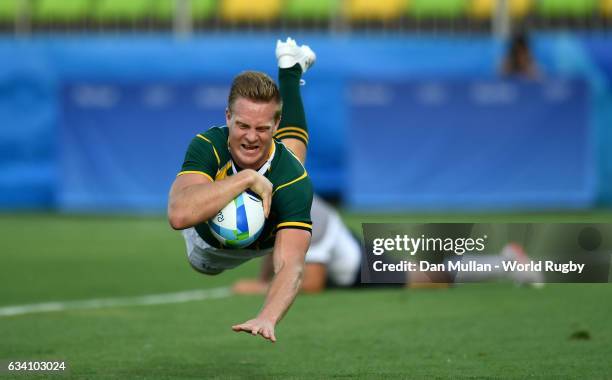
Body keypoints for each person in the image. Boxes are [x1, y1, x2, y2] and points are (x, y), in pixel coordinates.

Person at [168, 38, 316, 343]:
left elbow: (291, 265)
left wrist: (268, 316)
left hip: (263, 242)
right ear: (227, 118)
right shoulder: (208, 145)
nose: (251, 137)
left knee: (292, 164)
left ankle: (289, 70)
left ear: (277, 124)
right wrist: (246, 178)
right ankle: (290, 71)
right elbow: (179, 214)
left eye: (263, 128)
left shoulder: (294, 182)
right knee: (289, 160)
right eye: (242, 126)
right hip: (209, 251)